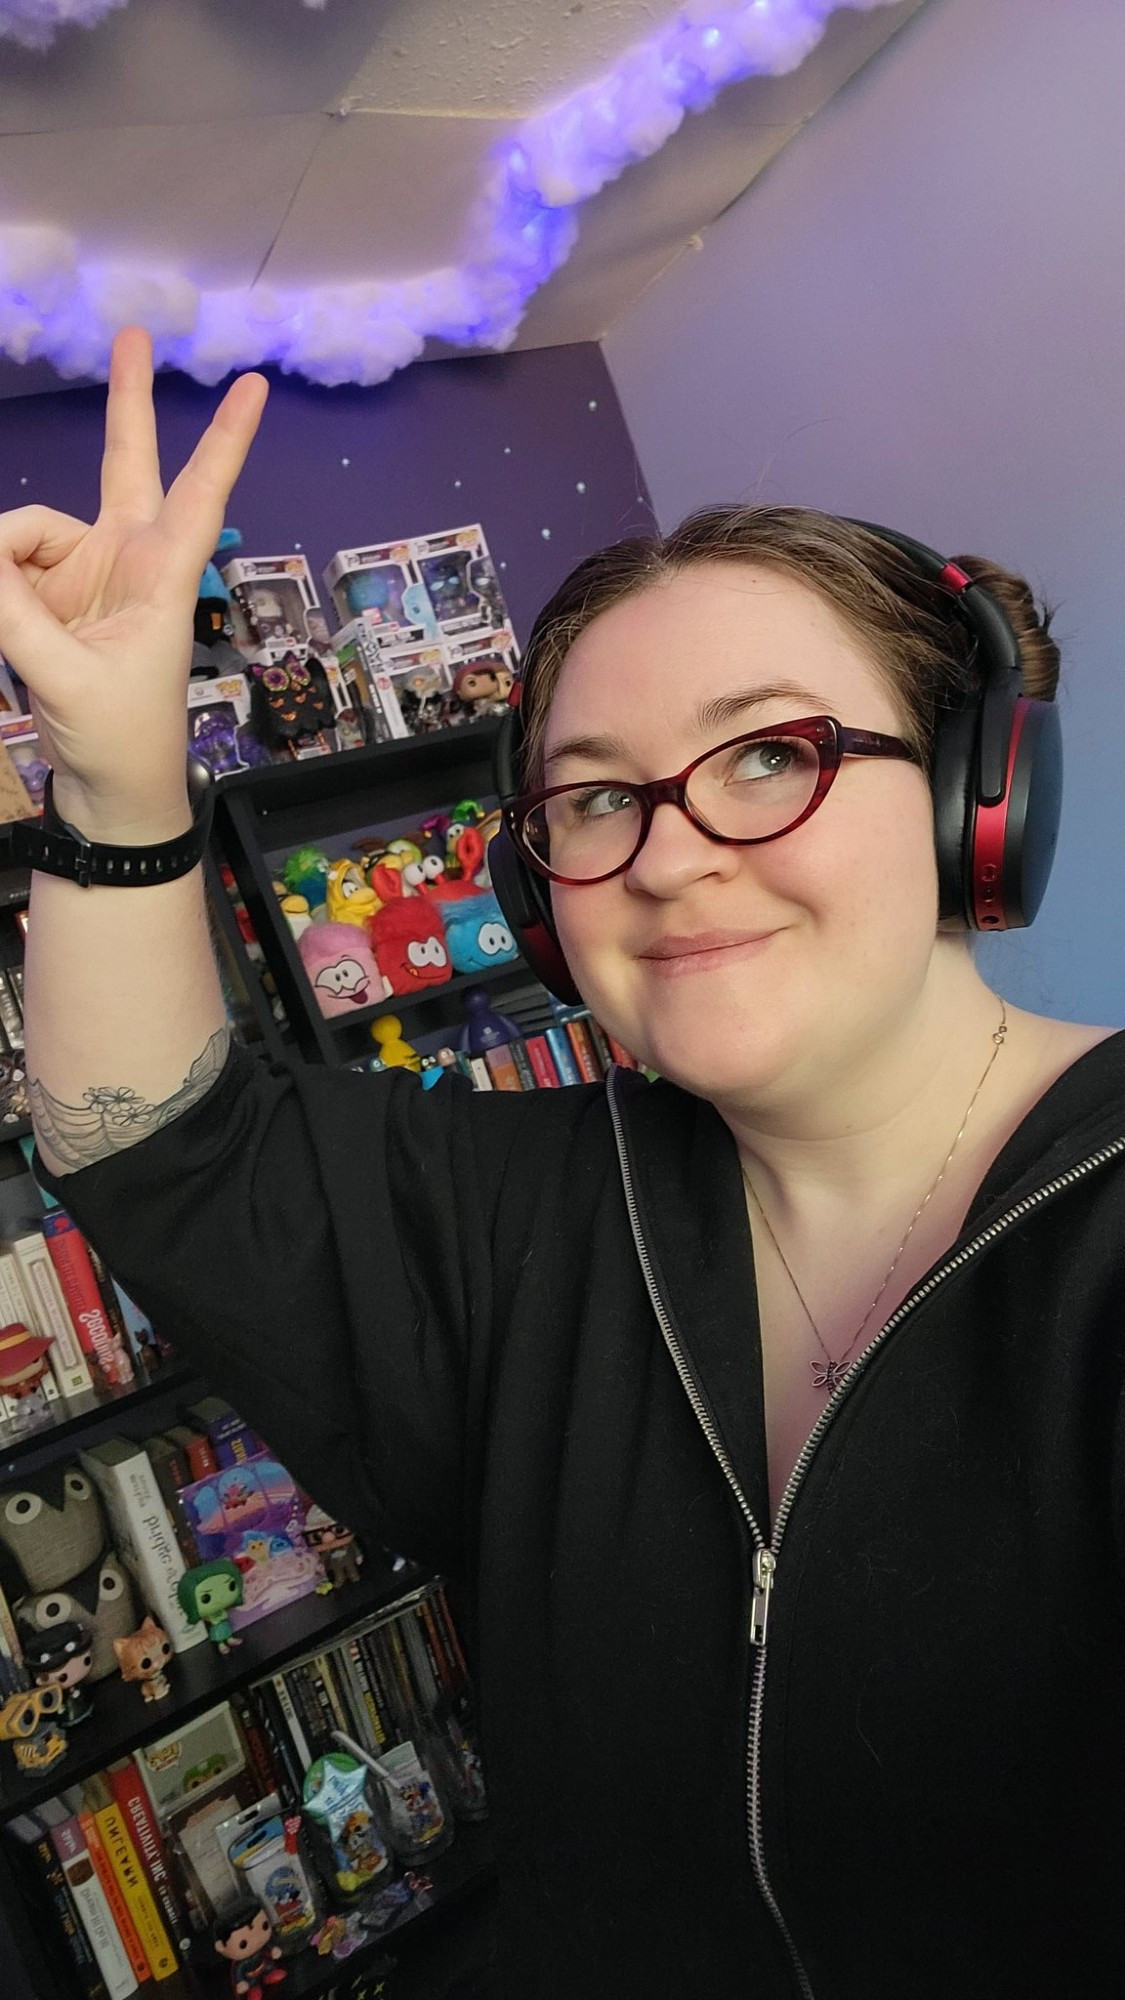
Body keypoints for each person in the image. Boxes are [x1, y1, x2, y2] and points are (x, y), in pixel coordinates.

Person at [2, 329, 1123, 1999]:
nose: (666, 858)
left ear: (977, 795)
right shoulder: (529, 1212)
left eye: (768, 756)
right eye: (589, 802)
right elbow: (155, 1140)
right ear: (538, 898)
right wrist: (114, 778)